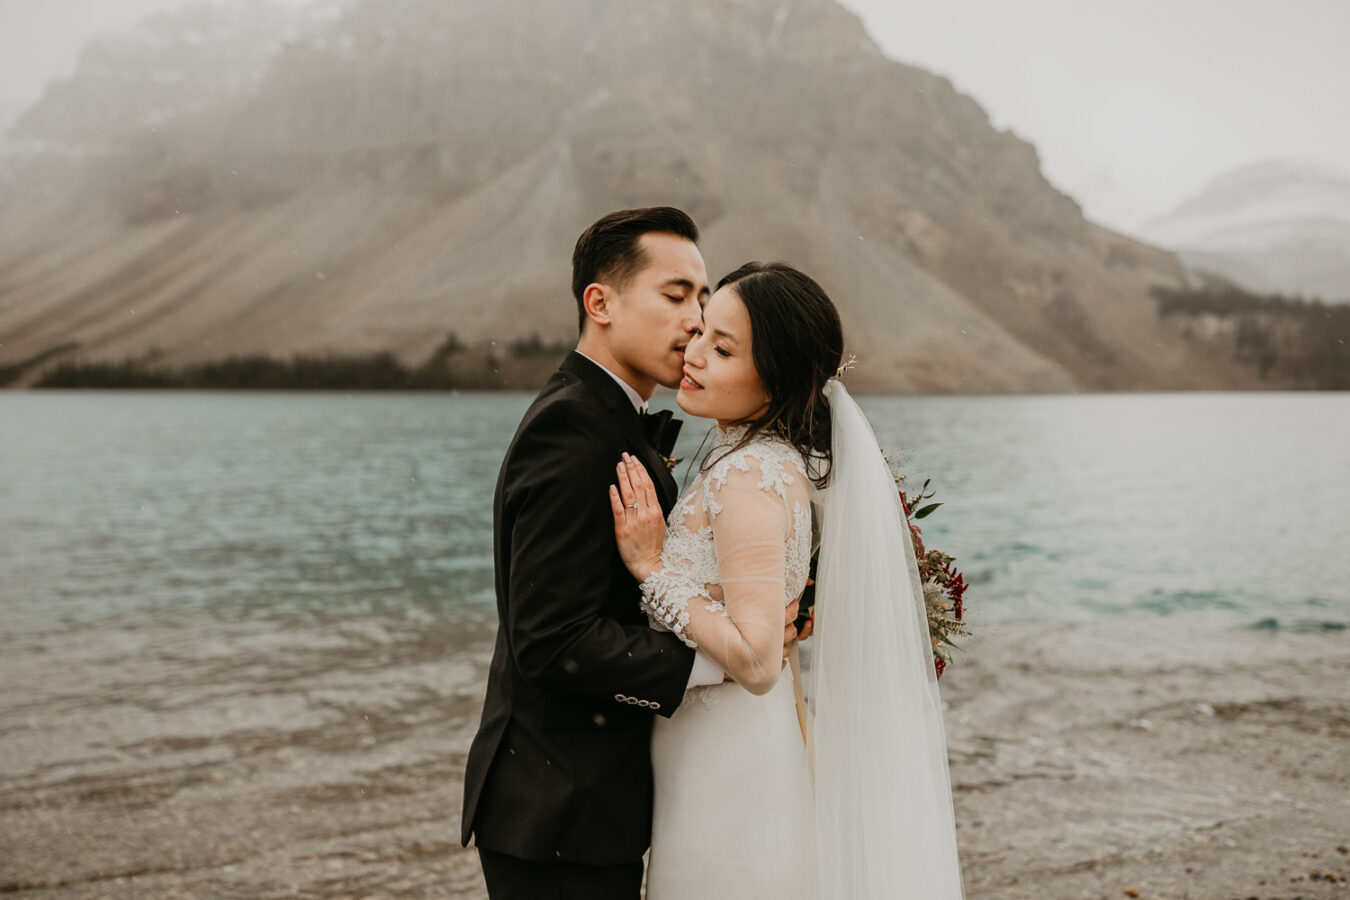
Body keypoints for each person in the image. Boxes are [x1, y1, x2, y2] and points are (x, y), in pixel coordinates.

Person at [459, 208, 804, 900]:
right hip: (558, 810)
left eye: (703, 299)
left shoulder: (611, 419)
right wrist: (723, 661)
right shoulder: (570, 428)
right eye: (676, 296)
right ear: (601, 304)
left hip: (592, 804)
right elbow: (552, 642)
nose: (696, 322)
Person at [610, 262, 966, 898]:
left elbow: (755, 660)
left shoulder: (748, 479)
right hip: (733, 749)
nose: (694, 354)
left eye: (723, 350)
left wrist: (651, 567)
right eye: (702, 332)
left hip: (727, 766)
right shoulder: (766, 462)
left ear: (776, 383)